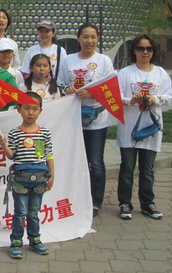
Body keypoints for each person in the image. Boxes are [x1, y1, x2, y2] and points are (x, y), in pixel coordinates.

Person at [57, 23, 115, 216]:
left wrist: (92, 93)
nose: (89, 41)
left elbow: (110, 88)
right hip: (73, 119)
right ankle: (75, 198)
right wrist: (67, 89)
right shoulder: (68, 60)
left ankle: (95, 202)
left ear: (97, 39)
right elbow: (60, 83)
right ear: (78, 38)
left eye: (93, 37)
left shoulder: (104, 61)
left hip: (97, 119)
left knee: (95, 162)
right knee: (74, 161)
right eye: (85, 37)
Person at [116, 34, 172, 220]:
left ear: (153, 51)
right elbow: (117, 97)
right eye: (140, 48)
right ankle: (125, 203)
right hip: (129, 127)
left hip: (151, 127)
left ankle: (147, 203)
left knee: (147, 168)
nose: (145, 52)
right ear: (134, 51)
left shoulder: (160, 73)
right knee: (127, 167)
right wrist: (130, 100)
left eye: (149, 48)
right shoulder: (125, 73)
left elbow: (168, 96)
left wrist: (154, 98)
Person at [0, 92, 54, 259]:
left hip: (40, 179)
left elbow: (48, 155)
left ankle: (35, 240)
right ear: (18, 109)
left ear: (40, 111)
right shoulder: (15, 133)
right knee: (20, 212)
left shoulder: (44, 133)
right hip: (20, 180)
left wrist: (52, 175)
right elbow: (12, 156)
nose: (31, 112)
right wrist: (4, 146)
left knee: (34, 212)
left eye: (35, 109)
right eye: (27, 108)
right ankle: (16, 242)